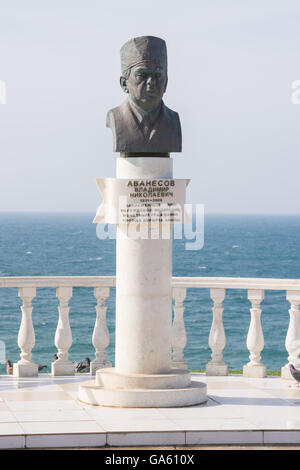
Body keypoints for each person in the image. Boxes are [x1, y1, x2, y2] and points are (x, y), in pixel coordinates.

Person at [106, 36, 182, 154]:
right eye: (142, 75)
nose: (151, 82)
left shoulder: (173, 121)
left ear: (166, 82)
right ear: (124, 83)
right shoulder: (116, 118)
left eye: (157, 75)